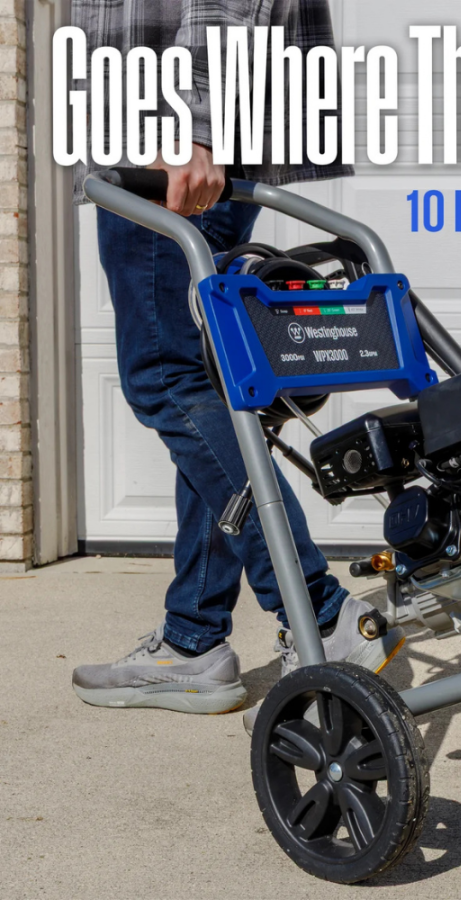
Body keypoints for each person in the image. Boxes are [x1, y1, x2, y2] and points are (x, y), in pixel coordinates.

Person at [69, 0, 404, 725]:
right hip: (182, 128)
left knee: (165, 380)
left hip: (165, 139)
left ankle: (319, 611)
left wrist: (192, 124)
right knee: (203, 389)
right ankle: (193, 638)